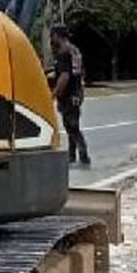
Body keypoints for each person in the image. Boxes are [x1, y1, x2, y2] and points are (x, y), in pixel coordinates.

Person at [50, 24, 90, 166]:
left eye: (52, 35)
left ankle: (83, 155)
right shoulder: (75, 50)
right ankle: (72, 155)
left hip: (68, 94)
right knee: (72, 124)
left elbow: (64, 76)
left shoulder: (63, 52)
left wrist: (54, 94)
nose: (51, 39)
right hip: (77, 92)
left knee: (71, 126)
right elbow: (80, 73)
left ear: (57, 36)